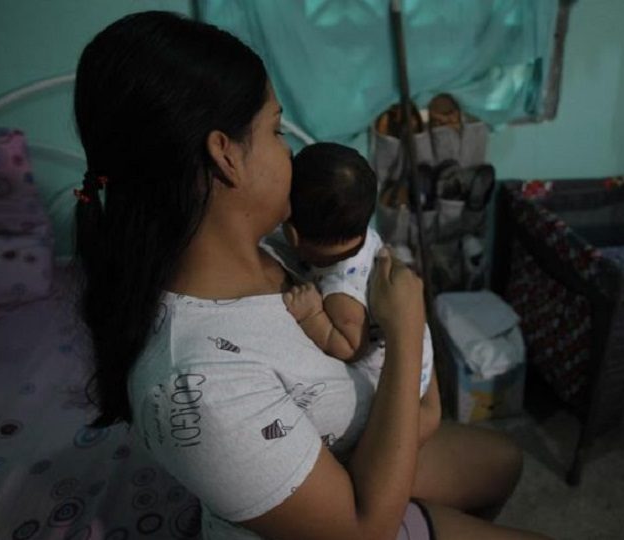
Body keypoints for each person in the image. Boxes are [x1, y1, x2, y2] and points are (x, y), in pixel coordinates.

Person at [73, 10, 552, 540]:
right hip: (357, 518)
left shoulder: (275, 248)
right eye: (276, 130)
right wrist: (408, 330)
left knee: (503, 460)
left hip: (360, 446)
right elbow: (362, 531)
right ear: (225, 155)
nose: (290, 150)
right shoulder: (198, 386)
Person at [263, 142, 433, 401]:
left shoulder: (340, 291)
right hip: (417, 356)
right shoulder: (362, 234)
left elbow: (351, 347)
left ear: (293, 235)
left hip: (389, 381)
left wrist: (312, 315)